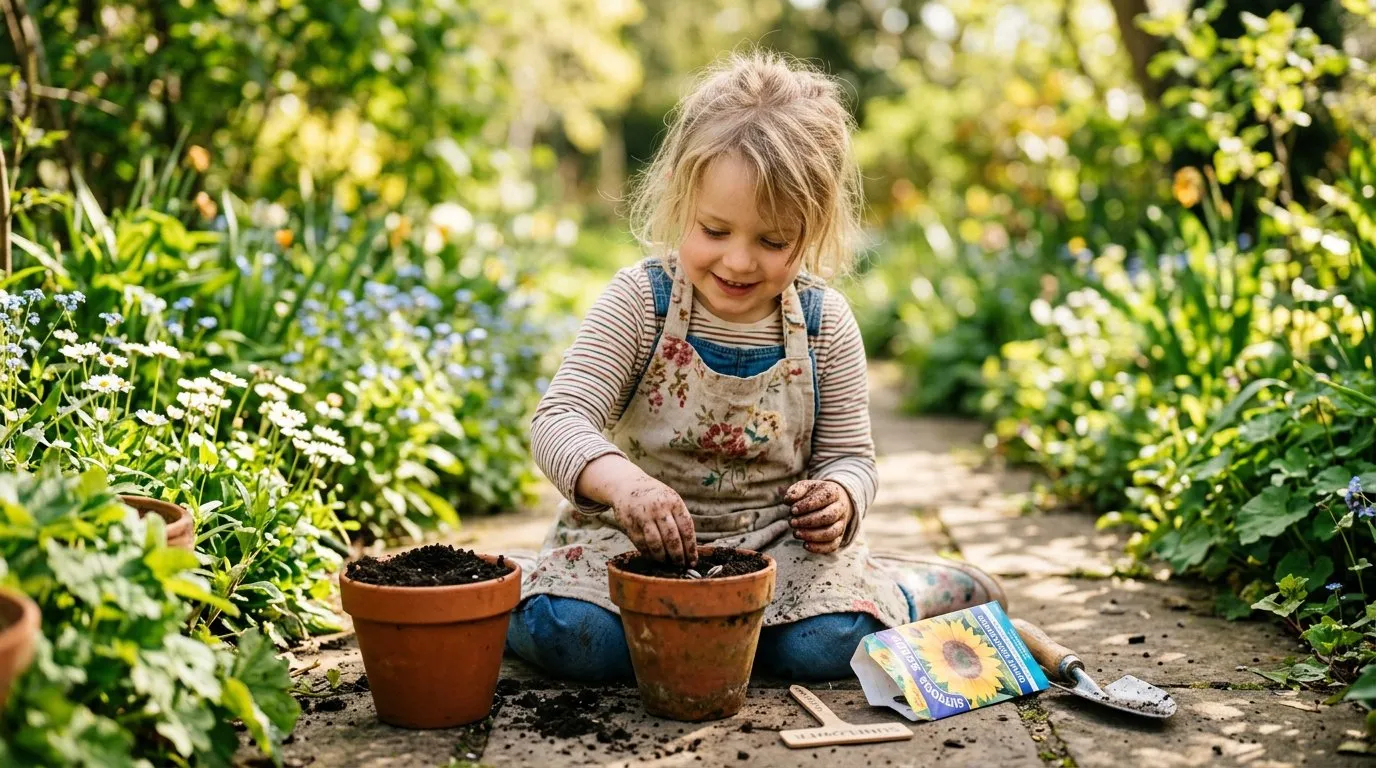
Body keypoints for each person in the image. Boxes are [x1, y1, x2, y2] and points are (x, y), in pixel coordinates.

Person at [507, 49, 1007, 682]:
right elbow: (559, 419)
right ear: (678, 198)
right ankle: (515, 590)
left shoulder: (823, 322)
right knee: (579, 641)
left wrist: (841, 498)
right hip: (629, 545)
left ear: (813, 229)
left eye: (773, 242)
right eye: (714, 230)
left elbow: (851, 458)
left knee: (824, 648)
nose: (739, 263)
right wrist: (623, 486)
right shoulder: (642, 300)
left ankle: (909, 590)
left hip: (775, 547)